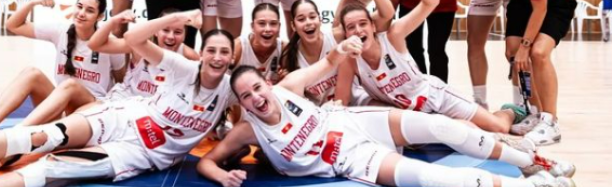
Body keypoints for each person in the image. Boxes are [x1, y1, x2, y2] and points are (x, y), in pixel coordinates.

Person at [0, 11, 236, 187]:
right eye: (212, 51)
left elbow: (262, 99)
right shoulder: (181, 65)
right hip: (121, 114)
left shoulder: (230, 85)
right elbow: (130, 38)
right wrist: (177, 17)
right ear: (203, 53)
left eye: (225, 52)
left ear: (233, 57)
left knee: (53, 169)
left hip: (139, 151)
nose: (217, 58)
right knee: (45, 135)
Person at [198, 62, 576, 187]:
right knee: (431, 178)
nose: (256, 98)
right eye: (246, 96)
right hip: (348, 158)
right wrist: (222, 176)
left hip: (356, 123)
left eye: (257, 88)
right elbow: (207, 162)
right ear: (242, 103)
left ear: (267, 84)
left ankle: (533, 162)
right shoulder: (248, 130)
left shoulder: (287, 88)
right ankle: (530, 186)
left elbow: (328, 61)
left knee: (444, 128)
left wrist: (343, 51)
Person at [335, 0, 523, 135]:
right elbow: (340, 105)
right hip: (413, 115)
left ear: (373, 26)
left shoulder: (393, 35)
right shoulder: (349, 61)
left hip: (434, 96)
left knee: (499, 128)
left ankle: (510, 111)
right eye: (351, 27)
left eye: (363, 24)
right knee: (466, 132)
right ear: (345, 33)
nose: (358, 30)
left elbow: (432, 1)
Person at [0, 0, 127, 149]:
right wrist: (33, 3)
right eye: (79, 7)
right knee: (32, 73)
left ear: (100, 16)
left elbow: (121, 82)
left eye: (89, 10)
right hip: (62, 112)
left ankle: (15, 135)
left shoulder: (110, 43)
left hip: (89, 115)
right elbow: (13, 25)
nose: (81, 13)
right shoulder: (61, 31)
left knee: (70, 85)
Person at [484, 0, 577, 146]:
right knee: (513, 54)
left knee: (537, 53)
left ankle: (550, 121)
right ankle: (535, 113)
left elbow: (541, 8)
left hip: (554, 2)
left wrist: (526, 46)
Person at [280, 0, 393, 106]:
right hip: (322, 112)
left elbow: (386, 15)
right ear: (293, 26)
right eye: (301, 19)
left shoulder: (337, 36)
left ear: (320, 19)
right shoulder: (290, 56)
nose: (308, 22)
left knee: (390, 111)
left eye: (312, 17)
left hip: (356, 102)